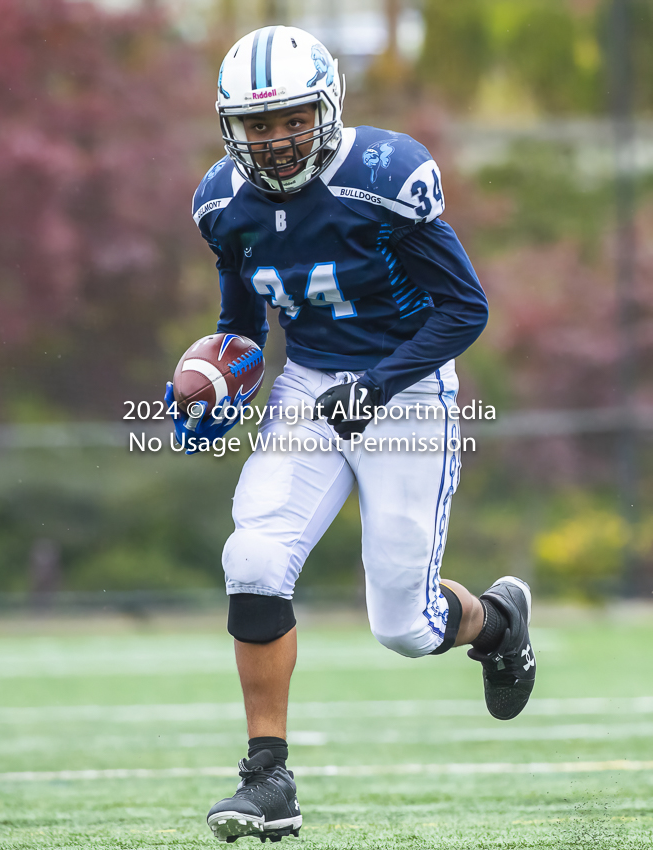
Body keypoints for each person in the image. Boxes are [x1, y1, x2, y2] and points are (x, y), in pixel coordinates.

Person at [166, 25, 536, 844]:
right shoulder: (224, 202)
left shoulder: (382, 178)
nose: (277, 138)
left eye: (292, 118)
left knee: (404, 628)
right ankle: (268, 779)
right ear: (233, 128)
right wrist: (218, 384)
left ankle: (499, 623)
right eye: (258, 125)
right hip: (310, 389)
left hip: (404, 388)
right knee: (254, 557)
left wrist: (375, 388)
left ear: (326, 109)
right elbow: (241, 324)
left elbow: (463, 309)